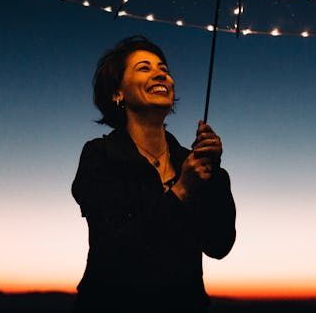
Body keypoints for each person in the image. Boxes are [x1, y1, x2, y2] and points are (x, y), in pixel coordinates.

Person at [72, 35, 236, 312]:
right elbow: (116, 252)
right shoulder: (99, 156)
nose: (161, 73)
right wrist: (182, 191)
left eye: (164, 69)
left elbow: (218, 245)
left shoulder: (190, 162)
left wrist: (215, 174)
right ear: (117, 93)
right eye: (144, 68)